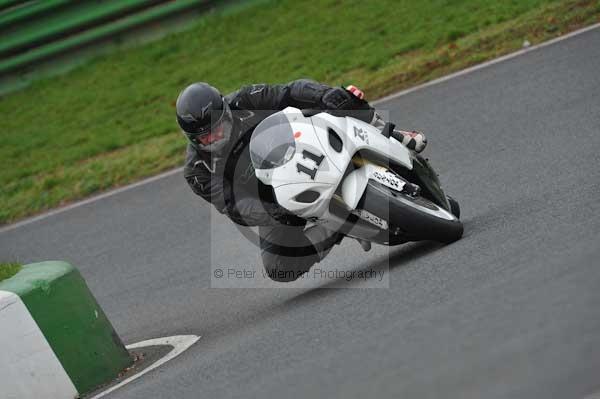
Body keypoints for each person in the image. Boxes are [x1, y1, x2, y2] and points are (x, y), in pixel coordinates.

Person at [176, 79, 426, 282]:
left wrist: (324, 95)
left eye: (217, 127)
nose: (215, 137)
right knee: (279, 266)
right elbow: (234, 205)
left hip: (303, 145)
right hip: (277, 198)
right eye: (206, 137)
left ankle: (390, 134)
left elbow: (290, 91)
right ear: (193, 139)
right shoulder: (198, 171)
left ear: (225, 111)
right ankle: (339, 226)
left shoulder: (246, 99)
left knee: (343, 97)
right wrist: (273, 213)